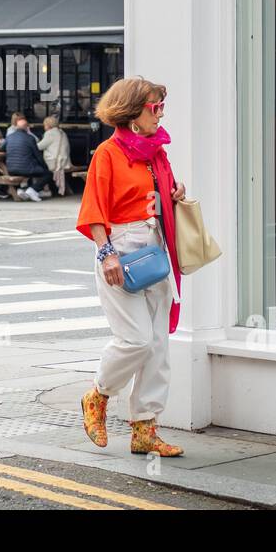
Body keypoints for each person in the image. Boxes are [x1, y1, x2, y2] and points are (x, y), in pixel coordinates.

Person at [77, 76, 187, 458]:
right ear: (132, 113)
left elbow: (159, 193)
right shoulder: (107, 153)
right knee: (137, 339)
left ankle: (145, 429)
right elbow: (94, 209)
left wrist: (174, 191)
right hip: (121, 251)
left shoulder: (157, 152)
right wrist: (106, 253)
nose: (159, 114)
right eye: (153, 107)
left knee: (157, 346)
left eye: (161, 107)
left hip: (155, 249)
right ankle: (98, 395)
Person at [5, 114, 53, 202]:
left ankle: (22, 190)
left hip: (10, 169)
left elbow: (1, 148)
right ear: (27, 128)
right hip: (27, 168)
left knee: (29, 172)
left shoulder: (9, 137)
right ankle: (33, 190)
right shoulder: (30, 138)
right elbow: (38, 155)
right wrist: (45, 167)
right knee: (48, 174)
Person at [37, 115, 73, 196]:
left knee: (37, 166)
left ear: (48, 125)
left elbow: (39, 147)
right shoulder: (62, 132)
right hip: (65, 161)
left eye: (44, 125)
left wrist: (34, 140)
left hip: (54, 162)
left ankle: (43, 189)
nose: (44, 127)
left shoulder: (50, 133)